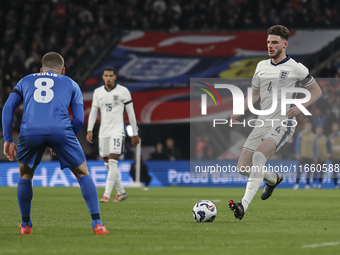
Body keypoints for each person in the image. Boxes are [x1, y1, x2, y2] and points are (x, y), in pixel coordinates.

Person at [2, 52, 108, 235]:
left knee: (25, 174)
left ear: (41, 70)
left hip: (30, 131)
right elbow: (79, 120)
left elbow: (8, 107)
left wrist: (8, 139)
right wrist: (66, 138)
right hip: (61, 130)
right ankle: (97, 224)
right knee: (83, 173)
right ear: (63, 71)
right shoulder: (71, 83)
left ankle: (26, 225)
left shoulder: (25, 80)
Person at [228, 25, 322, 220]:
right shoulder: (261, 66)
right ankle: (272, 179)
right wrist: (240, 110)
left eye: (275, 42)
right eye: (268, 42)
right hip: (262, 122)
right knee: (242, 168)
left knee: (259, 156)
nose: (270, 46)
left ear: (285, 44)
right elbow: (254, 94)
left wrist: (300, 107)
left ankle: (242, 206)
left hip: (283, 123)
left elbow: (317, 92)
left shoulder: (296, 68)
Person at [86, 67, 139, 202]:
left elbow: (131, 113)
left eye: (111, 75)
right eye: (106, 76)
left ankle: (106, 195)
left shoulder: (123, 91)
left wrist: (135, 133)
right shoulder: (98, 92)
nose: (108, 78)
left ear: (115, 77)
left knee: (113, 162)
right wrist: (89, 129)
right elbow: (93, 111)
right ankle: (121, 192)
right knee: (108, 164)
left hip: (117, 131)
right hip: (103, 132)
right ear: (103, 77)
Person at [294, 122, 316, 189]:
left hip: (310, 156)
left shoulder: (313, 136)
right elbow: (297, 144)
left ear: (311, 127)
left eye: (309, 126)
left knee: (309, 171)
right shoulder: (301, 134)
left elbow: (315, 147)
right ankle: (297, 184)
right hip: (302, 155)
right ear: (305, 126)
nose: (308, 127)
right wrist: (298, 153)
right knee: (300, 170)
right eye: (307, 126)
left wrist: (315, 156)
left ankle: (307, 185)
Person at [329, 122, 340, 189]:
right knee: (335, 171)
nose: (335, 128)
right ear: (332, 128)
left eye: (336, 126)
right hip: (334, 157)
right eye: (334, 126)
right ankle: (336, 185)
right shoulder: (330, 137)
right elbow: (328, 146)